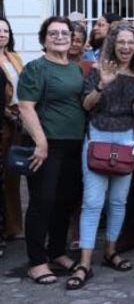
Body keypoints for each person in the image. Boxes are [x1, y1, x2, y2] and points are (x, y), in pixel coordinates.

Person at [67, 24, 134, 290]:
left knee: (119, 202)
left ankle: (110, 251)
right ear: (112, 43)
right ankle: (85, 261)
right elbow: (86, 105)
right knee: (93, 202)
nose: (126, 47)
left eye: (131, 42)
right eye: (121, 42)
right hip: (97, 137)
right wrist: (101, 85)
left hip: (125, 139)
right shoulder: (98, 70)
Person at [19, 17, 85, 285]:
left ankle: (57, 251)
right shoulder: (36, 68)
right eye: (53, 33)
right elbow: (25, 106)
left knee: (65, 201)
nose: (60, 37)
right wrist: (41, 142)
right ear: (44, 38)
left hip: (74, 144)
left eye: (65, 33)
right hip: (46, 145)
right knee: (42, 202)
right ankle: (36, 261)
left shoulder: (74, 68)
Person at [0, 18, 25, 243]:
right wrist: (7, 112)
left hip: (18, 120)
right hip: (4, 120)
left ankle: (14, 226)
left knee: (13, 176)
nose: (2, 34)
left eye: (6, 30)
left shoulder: (14, 57)